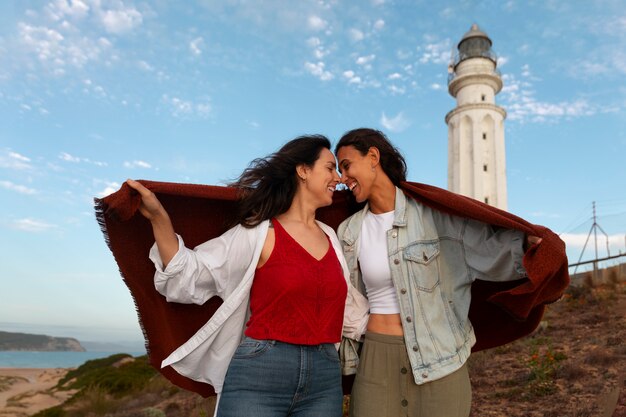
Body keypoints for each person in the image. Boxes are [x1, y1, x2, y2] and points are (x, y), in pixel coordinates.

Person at [126, 135, 368, 417]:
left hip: (324, 378)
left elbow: (349, 310)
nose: (338, 178)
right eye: (330, 167)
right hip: (261, 372)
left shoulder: (331, 238)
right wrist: (159, 218)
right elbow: (192, 273)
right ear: (303, 170)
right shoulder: (258, 233)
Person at [334, 128, 543, 417]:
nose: (343, 178)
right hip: (375, 359)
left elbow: (487, 249)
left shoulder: (433, 216)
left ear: (373, 157)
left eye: (346, 165)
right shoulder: (349, 232)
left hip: (440, 358)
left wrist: (530, 248)